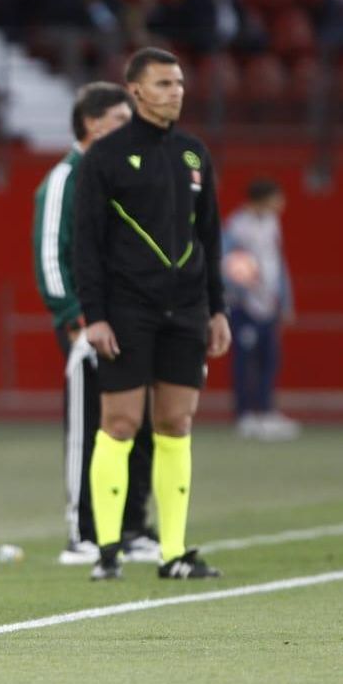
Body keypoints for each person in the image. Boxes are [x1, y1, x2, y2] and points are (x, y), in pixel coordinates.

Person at [71, 47, 232, 581]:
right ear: (136, 92)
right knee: (119, 423)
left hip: (186, 310)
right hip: (126, 309)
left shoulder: (193, 155)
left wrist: (217, 309)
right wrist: (94, 315)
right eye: (164, 84)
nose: (176, 92)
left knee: (176, 422)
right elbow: (86, 244)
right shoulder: (106, 157)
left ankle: (174, 552)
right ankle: (108, 550)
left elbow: (209, 237)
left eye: (180, 83)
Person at [32, 82, 159, 567]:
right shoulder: (67, 178)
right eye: (121, 122)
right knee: (89, 426)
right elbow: (50, 252)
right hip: (89, 324)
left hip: (134, 319)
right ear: (91, 124)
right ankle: (83, 531)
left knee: (138, 423)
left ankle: (130, 526)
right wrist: (70, 318)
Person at [223, 178, 298, 441]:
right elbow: (226, 263)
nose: (281, 204)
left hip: (269, 304)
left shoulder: (272, 224)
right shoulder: (237, 226)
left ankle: (266, 412)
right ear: (262, 198)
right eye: (277, 197)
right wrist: (242, 291)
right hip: (245, 306)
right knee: (245, 361)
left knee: (269, 360)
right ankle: (245, 415)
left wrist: (286, 300)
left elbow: (278, 263)